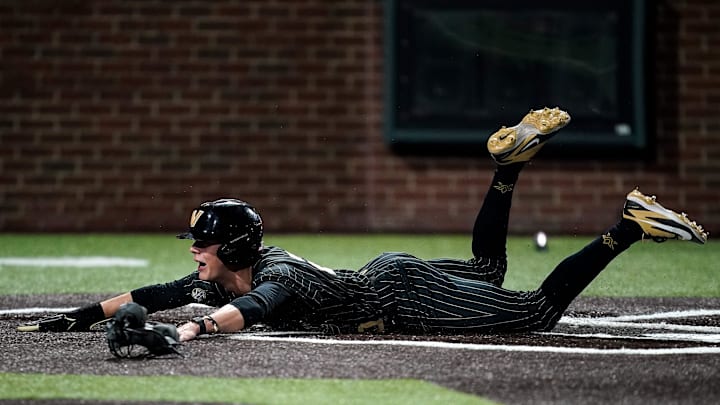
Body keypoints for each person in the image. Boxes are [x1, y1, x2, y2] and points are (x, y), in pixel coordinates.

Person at [18, 107, 708, 342]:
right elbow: (150, 295)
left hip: (399, 295)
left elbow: (250, 309)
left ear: (228, 246)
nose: (193, 252)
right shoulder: (236, 267)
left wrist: (194, 330)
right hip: (386, 276)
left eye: (201, 241)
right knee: (491, 269)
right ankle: (507, 168)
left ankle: (625, 226)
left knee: (535, 312)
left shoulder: (273, 277)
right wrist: (74, 316)